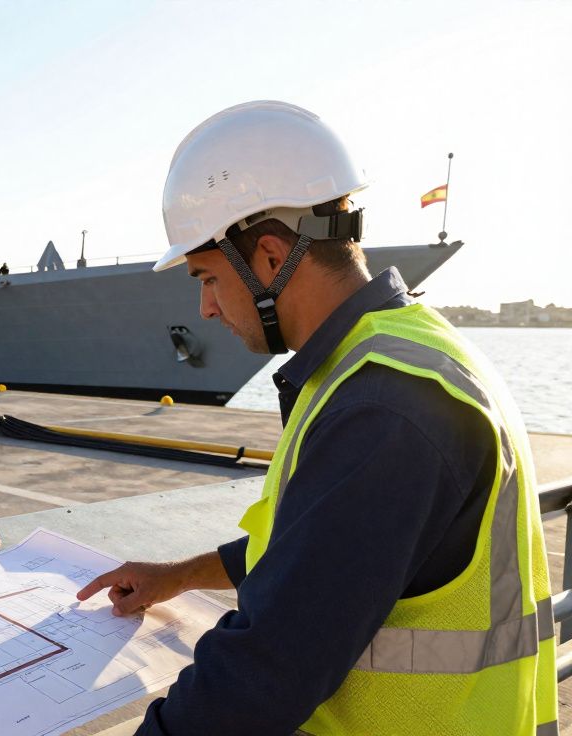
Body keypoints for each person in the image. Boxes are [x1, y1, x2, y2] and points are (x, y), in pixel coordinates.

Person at [78, 101, 555, 734]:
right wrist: (180, 576)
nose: (207, 309)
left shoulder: (384, 407)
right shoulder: (397, 353)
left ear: (270, 258)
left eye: (208, 278)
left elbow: (262, 673)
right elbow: (322, 548)